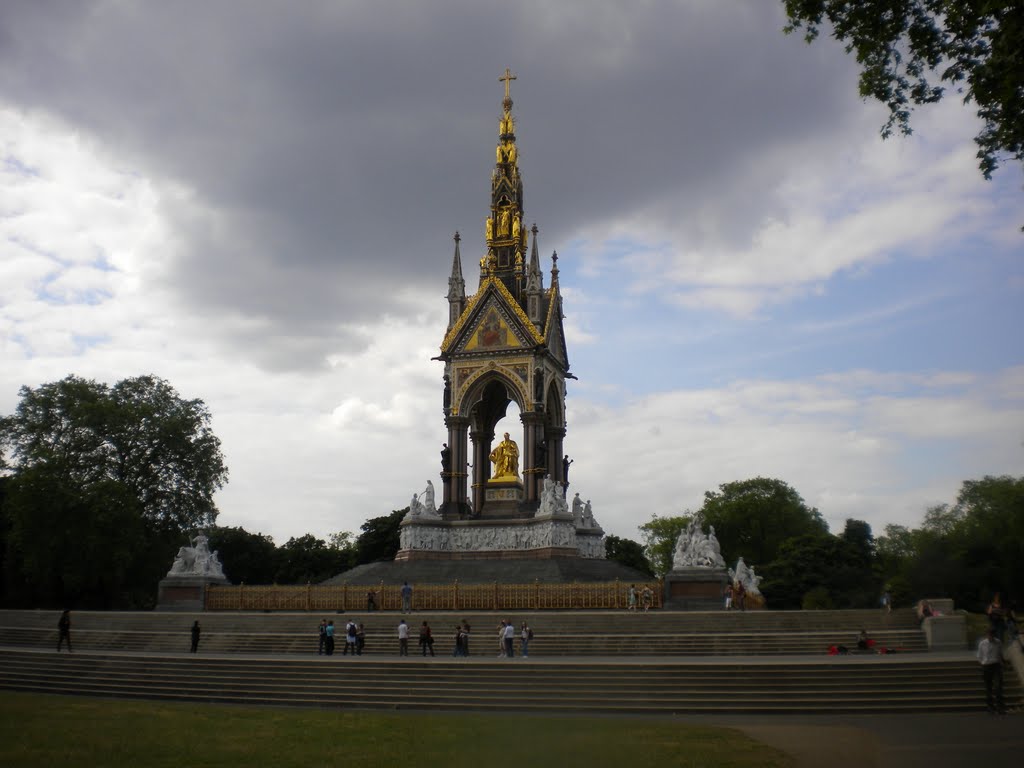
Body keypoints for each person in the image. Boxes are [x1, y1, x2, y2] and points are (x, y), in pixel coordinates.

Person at [977, 628, 1006, 714]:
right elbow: (980, 655)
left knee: (998, 687)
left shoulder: (998, 642)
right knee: (988, 687)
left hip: (996, 665)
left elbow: (1000, 653)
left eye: (992, 636)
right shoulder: (982, 643)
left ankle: (1000, 707)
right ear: (987, 635)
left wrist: (1002, 663)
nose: (990, 637)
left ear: (994, 635)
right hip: (987, 666)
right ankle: (990, 707)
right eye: (989, 635)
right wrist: (983, 663)